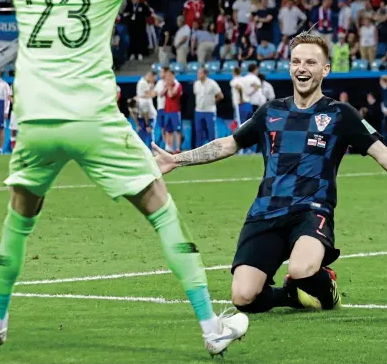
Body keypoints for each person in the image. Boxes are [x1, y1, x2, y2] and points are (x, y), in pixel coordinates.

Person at [0, 0, 329, 353]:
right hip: (94, 118)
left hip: (36, 119)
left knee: (19, 218)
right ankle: (211, 328)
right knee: (160, 209)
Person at [154, 33, 387, 320]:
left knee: (301, 269)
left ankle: (326, 286)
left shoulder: (341, 114)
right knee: (243, 297)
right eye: (296, 61)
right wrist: (177, 159)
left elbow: (382, 153)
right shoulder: (271, 111)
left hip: (311, 211)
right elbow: (228, 144)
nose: (302, 68)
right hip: (266, 212)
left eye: (311, 62)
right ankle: (290, 295)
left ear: (325, 69)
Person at [193, 68, 223, 147]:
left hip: (209, 111)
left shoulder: (212, 83)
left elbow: (220, 95)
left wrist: (213, 102)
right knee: (199, 131)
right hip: (198, 111)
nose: (198, 75)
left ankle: (213, 149)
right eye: (198, 73)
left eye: (200, 73)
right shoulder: (196, 83)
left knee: (211, 131)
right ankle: (199, 149)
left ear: (205, 74)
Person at [136, 71, 157, 150]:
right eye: (153, 79)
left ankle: (149, 151)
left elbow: (151, 94)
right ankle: (148, 151)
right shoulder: (143, 83)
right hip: (147, 114)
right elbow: (152, 94)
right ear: (150, 76)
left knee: (148, 134)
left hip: (148, 114)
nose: (153, 81)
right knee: (147, 133)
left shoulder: (145, 83)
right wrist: (153, 90)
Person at [164, 69, 183, 154]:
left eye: (168, 76)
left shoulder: (177, 85)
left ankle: (178, 148)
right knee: (169, 130)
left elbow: (171, 95)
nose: (167, 77)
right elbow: (160, 94)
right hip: (167, 111)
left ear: (172, 76)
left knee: (178, 130)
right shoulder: (167, 84)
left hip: (175, 111)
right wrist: (166, 86)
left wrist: (169, 87)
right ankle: (170, 148)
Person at [153, 67, 169, 148]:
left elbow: (161, 94)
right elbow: (155, 93)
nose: (160, 73)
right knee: (162, 128)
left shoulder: (171, 82)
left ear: (166, 73)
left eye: (161, 72)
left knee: (168, 129)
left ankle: (169, 146)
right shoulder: (159, 82)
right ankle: (166, 146)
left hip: (168, 109)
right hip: (160, 108)